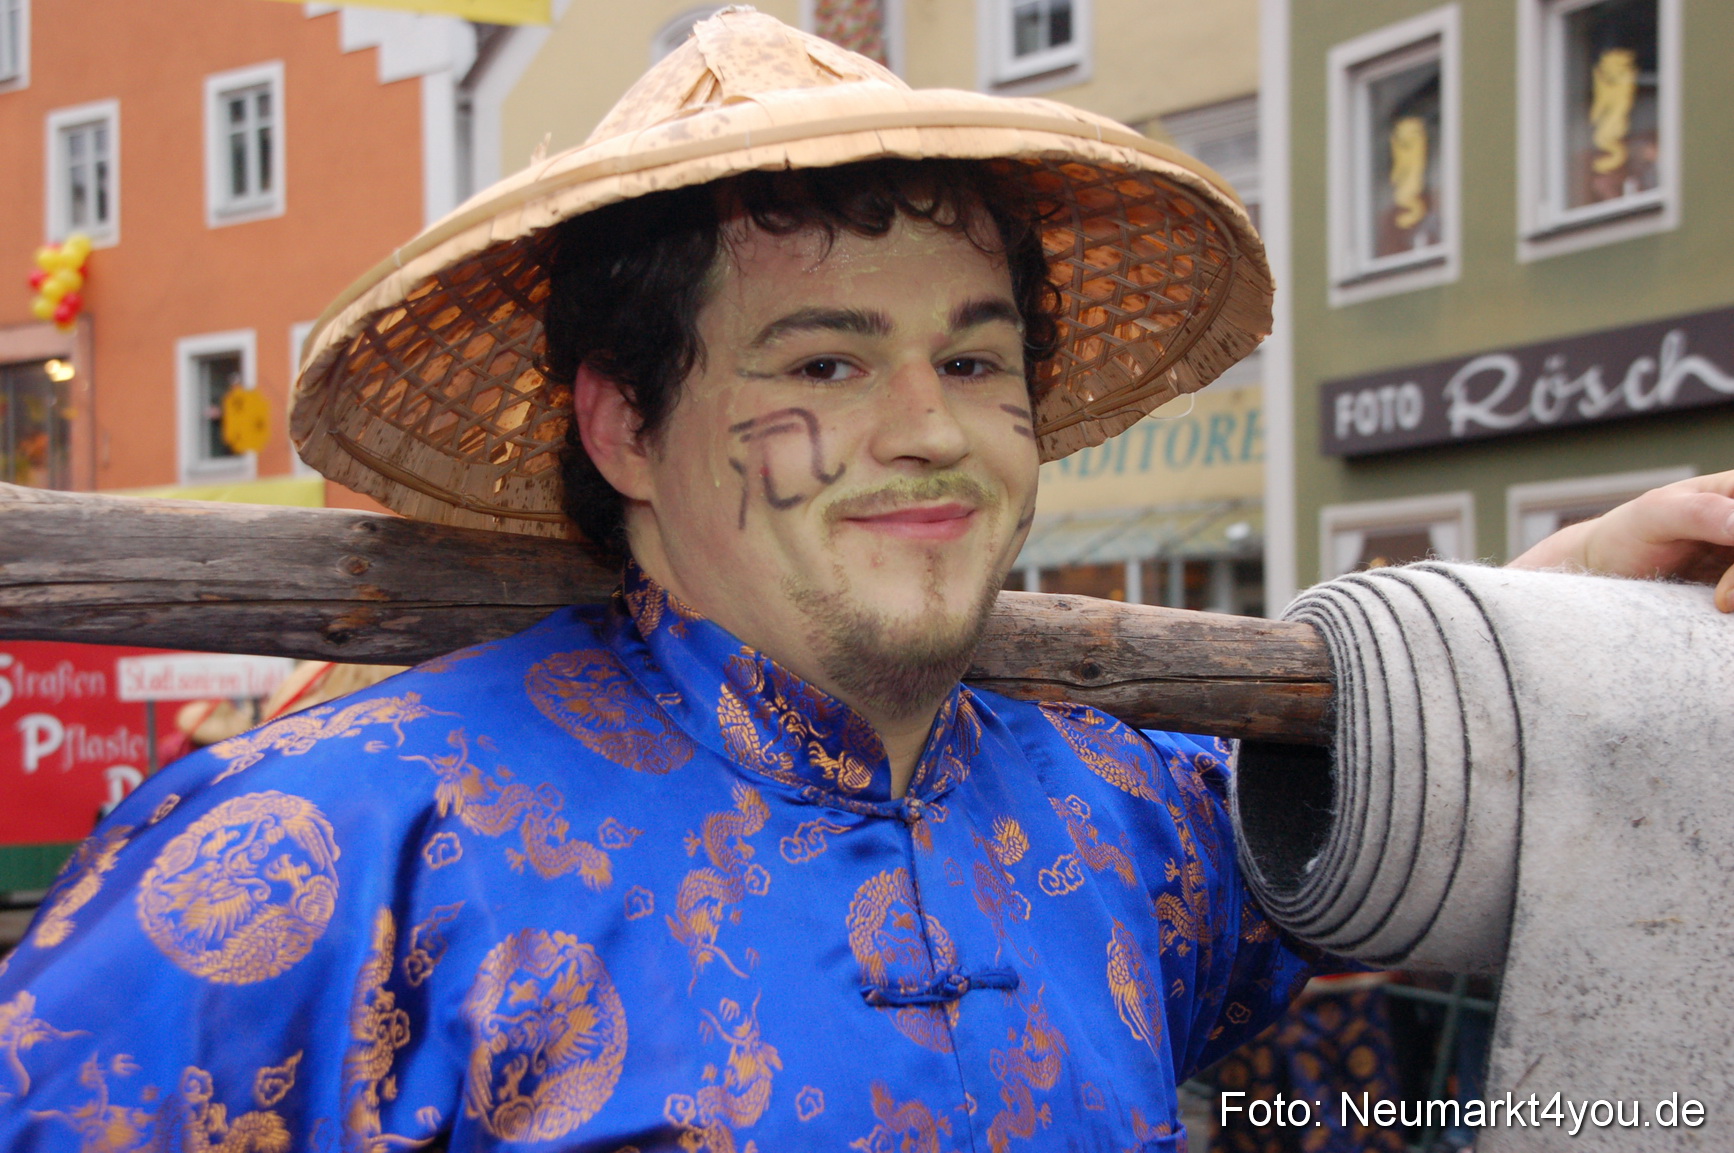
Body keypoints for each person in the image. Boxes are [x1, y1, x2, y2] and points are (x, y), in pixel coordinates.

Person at [1, 12, 1729, 1151]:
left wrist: (1584, 620)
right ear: (622, 422)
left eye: (975, 365)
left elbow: (1407, 815)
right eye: (821, 366)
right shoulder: (313, 851)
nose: (927, 434)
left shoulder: (1143, 820)